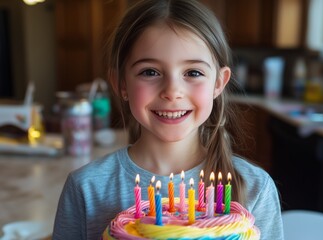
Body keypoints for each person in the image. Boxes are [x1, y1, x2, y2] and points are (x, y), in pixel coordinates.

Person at [53, 0, 284, 239]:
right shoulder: (87, 189)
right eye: (150, 72)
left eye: (193, 72)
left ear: (218, 83)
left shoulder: (255, 187)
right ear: (121, 83)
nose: (172, 91)